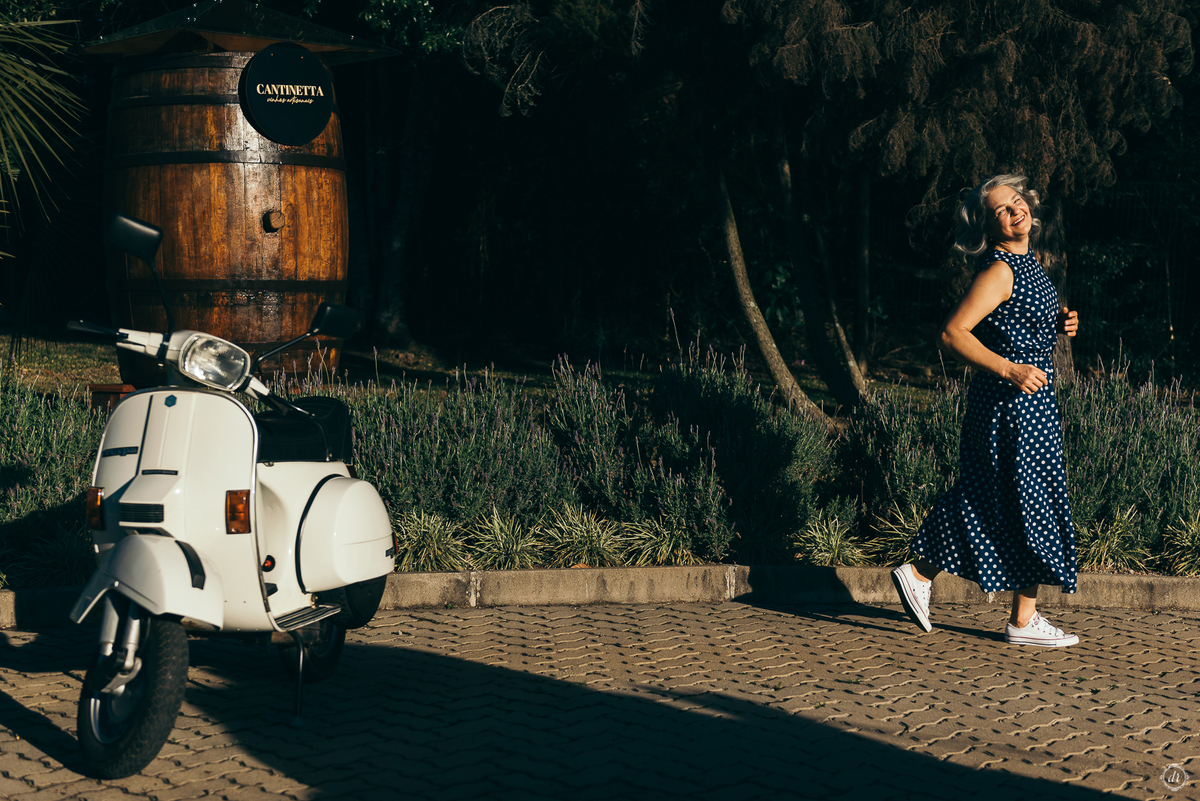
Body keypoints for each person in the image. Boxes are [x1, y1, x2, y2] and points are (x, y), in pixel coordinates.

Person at [891, 174, 1080, 647]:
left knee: (1008, 500)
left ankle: (1010, 613)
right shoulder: (999, 270)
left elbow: (1016, 318)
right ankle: (937, 581)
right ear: (989, 226)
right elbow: (953, 333)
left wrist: (1060, 322)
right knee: (1013, 499)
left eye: (1017, 201)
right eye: (1002, 209)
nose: (1015, 210)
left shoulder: (1030, 262)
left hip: (1031, 404)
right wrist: (1009, 370)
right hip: (1011, 404)